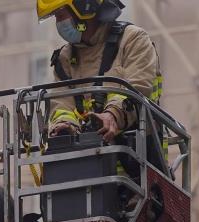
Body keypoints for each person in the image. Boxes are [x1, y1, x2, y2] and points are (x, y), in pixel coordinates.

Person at [38, 0, 162, 143]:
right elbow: (62, 104)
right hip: (86, 159)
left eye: (60, 15)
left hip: (137, 156)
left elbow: (137, 88)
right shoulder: (64, 57)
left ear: (83, 8)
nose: (58, 24)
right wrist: (64, 126)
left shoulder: (132, 39)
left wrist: (112, 115)